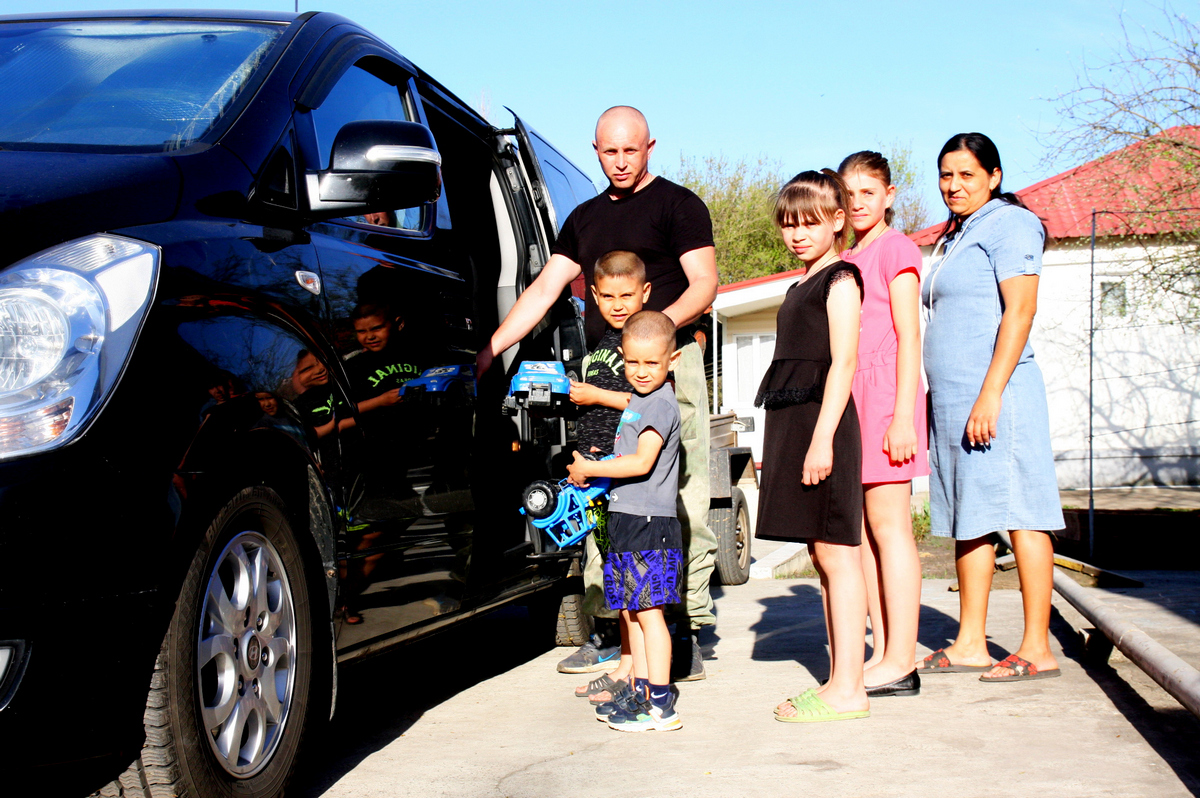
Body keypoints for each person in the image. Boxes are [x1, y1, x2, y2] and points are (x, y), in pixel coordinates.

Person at [478, 106, 718, 680]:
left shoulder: (678, 206)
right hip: (599, 375)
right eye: (610, 152)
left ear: (650, 147)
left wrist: (652, 339)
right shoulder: (583, 218)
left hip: (665, 366)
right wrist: (493, 347)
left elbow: (705, 283)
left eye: (630, 151)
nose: (620, 162)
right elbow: (544, 288)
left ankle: (683, 625)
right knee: (597, 493)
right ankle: (611, 627)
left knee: (678, 494)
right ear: (595, 149)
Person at [917, 133, 1065, 682]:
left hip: (998, 396)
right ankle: (970, 642)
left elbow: (1020, 311)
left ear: (995, 176)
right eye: (946, 175)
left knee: (1023, 511)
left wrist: (990, 392)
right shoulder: (959, 234)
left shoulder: (1010, 224)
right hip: (955, 400)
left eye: (967, 175)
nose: (953, 186)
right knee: (969, 518)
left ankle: (1036, 647)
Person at [756, 170, 869, 723]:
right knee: (823, 556)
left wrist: (822, 438)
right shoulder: (798, 284)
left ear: (838, 221)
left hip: (824, 429)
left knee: (839, 554)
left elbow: (843, 363)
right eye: (788, 224)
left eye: (810, 223)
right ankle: (839, 681)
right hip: (798, 427)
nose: (797, 234)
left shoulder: (841, 280)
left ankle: (850, 689)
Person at [566, 310, 684, 732]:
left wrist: (592, 470)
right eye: (633, 362)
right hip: (627, 518)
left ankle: (660, 703)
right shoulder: (638, 401)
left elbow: (641, 461)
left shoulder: (660, 404)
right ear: (622, 355)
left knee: (649, 613)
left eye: (652, 363)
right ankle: (637, 688)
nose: (641, 371)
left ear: (673, 359)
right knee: (632, 612)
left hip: (650, 522)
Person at [837, 151, 928, 697]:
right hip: (855, 397)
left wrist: (901, 417)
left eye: (868, 192)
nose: (858, 203)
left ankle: (903, 657)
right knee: (867, 532)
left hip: (888, 395)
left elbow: (909, 335)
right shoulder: (850, 254)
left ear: (889, 194)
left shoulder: (897, 249)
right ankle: (882, 651)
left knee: (891, 528)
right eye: (848, 194)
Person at [567, 252, 646, 703]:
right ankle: (624, 663)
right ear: (594, 296)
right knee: (612, 565)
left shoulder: (641, 347)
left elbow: (647, 408)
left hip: (624, 478)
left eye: (627, 295)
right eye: (608, 296)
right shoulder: (597, 348)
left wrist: (596, 394)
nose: (618, 304)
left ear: (644, 294)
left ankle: (638, 670)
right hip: (593, 474)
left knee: (630, 569)